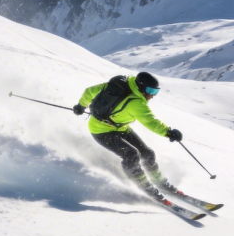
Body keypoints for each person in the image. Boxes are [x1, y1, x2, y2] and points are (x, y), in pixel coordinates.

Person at [73, 71, 182, 200]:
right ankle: (144, 185)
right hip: (101, 131)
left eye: (155, 92)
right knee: (131, 154)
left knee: (148, 153)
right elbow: (151, 122)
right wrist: (169, 132)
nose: (152, 96)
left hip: (120, 127)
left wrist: (81, 106)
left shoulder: (121, 85)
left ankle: (160, 182)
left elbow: (89, 91)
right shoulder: (137, 103)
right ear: (141, 87)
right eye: (150, 91)